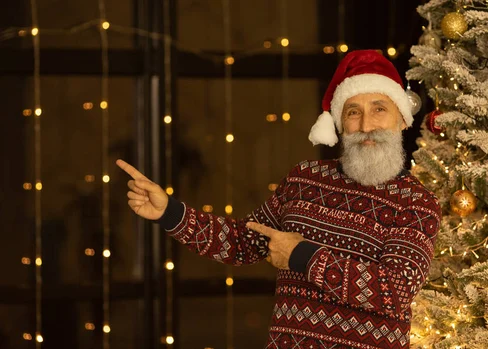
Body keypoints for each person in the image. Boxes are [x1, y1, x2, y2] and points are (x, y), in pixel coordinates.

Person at [117, 50, 440, 349]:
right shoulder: (304, 179)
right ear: (341, 124)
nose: (366, 125)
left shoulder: (417, 203)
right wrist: (170, 213)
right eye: (353, 112)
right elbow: (243, 242)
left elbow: (393, 291)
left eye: (378, 109)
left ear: (401, 119)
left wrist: (302, 256)